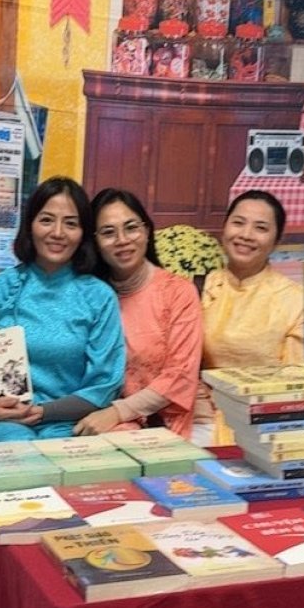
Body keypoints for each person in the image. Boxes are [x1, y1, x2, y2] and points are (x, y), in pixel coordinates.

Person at [0, 176, 125, 443]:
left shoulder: (99, 297)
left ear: (83, 233)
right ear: (30, 225)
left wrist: (42, 412)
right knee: (15, 448)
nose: (58, 233)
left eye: (71, 223)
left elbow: (105, 381)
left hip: (69, 425)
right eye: (46, 220)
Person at [75, 188, 203, 439]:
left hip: (161, 426)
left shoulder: (178, 292)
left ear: (146, 231)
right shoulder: (89, 296)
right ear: (95, 242)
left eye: (131, 227)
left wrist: (117, 413)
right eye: (108, 232)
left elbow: (180, 376)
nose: (122, 240)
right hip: (93, 420)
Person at [196, 189, 304, 441]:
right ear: (224, 228)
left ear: (277, 240)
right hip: (202, 417)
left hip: (265, 424)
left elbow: (294, 382)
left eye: (260, 228)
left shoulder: (294, 300)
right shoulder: (201, 288)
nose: (245, 235)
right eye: (238, 223)